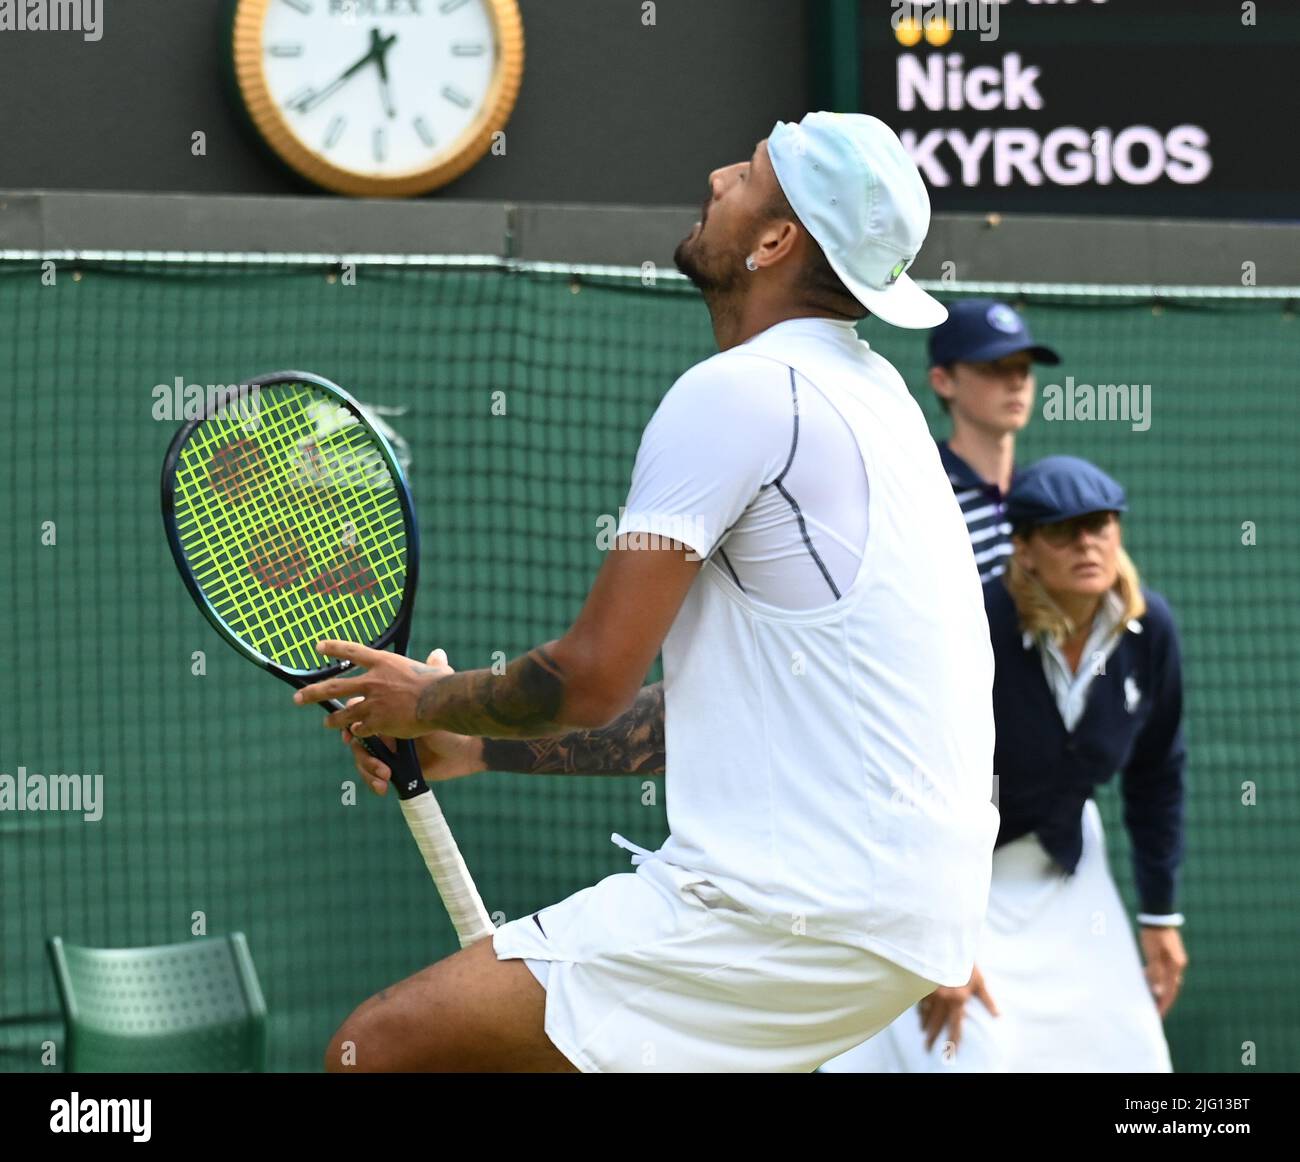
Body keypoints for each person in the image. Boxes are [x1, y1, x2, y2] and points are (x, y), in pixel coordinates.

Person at [295, 111, 999, 1073]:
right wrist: (470, 744)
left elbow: (589, 677)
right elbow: (693, 717)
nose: (717, 178)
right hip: (896, 923)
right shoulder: (884, 407)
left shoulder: (743, 392)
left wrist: (425, 699)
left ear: (775, 240)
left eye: (747, 176)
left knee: (373, 1051)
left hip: (788, 910)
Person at [822, 456, 1188, 1073]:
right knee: (964, 1056)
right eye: (1061, 531)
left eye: (1101, 525)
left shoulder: (1148, 630)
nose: (1086, 544)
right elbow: (915, 783)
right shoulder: (973, 623)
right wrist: (939, 939)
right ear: (1022, 548)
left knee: (1133, 1058)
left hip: (1067, 869)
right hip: (953, 872)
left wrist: (1159, 917)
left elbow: (1157, 775)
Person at [928, 299, 1061, 581]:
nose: (1017, 383)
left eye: (1024, 368)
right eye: (995, 367)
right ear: (943, 381)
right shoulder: (921, 489)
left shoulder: (1040, 495)